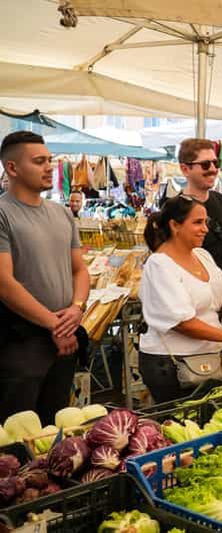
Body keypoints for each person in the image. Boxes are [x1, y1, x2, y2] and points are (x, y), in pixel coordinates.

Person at [0, 131, 90, 423]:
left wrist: (77, 307)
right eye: (39, 161)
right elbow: (5, 284)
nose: (49, 167)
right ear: (12, 168)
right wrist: (54, 324)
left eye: (50, 160)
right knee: (17, 429)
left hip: (64, 337)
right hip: (20, 340)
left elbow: (79, 269)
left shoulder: (63, 214)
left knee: (56, 425)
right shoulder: (3, 214)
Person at [138, 195, 222, 403]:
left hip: (210, 358)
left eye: (206, 222)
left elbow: (215, 301)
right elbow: (182, 323)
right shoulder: (159, 265)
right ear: (175, 225)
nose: (205, 229)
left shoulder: (202, 255)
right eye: (198, 222)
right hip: (173, 365)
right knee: (183, 420)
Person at [175, 138, 222, 273]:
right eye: (205, 165)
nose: (213, 169)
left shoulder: (221, 200)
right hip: (195, 283)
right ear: (185, 169)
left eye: (216, 163)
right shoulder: (175, 209)